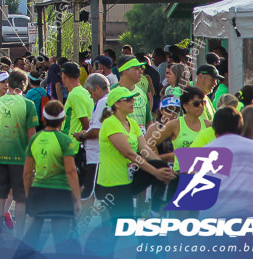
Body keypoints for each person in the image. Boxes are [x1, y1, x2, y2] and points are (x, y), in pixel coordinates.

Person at [96, 86, 174, 220]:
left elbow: (146, 150)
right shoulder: (110, 123)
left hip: (128, 179)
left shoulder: (132, 122)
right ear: (117, 104)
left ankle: (155, 210)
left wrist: (163, 168)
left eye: (133, 99)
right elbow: (129, 154)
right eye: (128, 100)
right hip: (112, 182)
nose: (133, 102)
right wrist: (154, 172)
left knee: (162, 168)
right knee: (122, 225)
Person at [22, 100, 81, 253]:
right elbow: (71, 172)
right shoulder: (65, 140)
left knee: (31, 238)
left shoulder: (34, 139)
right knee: (61, 242)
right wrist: (77, 199)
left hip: (38, 192)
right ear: (63, 119)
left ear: (43, 118)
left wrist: (29, 195)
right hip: (60, 194)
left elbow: (27, 173)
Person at [0, 68, 38, 233]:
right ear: (24, 85)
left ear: (8, 84)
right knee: (21, 197)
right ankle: (20, 231)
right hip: (20, 158)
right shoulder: (28, 104)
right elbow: (31, 135)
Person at [78, 73, 110, 201]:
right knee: (95, 195)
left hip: (96, 156)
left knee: (90, 195)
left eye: (91, 92)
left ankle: (86, 221)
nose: (91, 96)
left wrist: (83, 135)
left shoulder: (103, 102)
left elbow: (98, 130)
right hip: (97, 156)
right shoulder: (106, 101)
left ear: (97, 88)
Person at [61, 62, 93, 185]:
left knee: (73, 186)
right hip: (78, 146)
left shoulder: (75, 94)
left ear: (63, 75)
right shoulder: (84, 92)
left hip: (73, 146)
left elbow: (85, 122)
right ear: (79, 74)